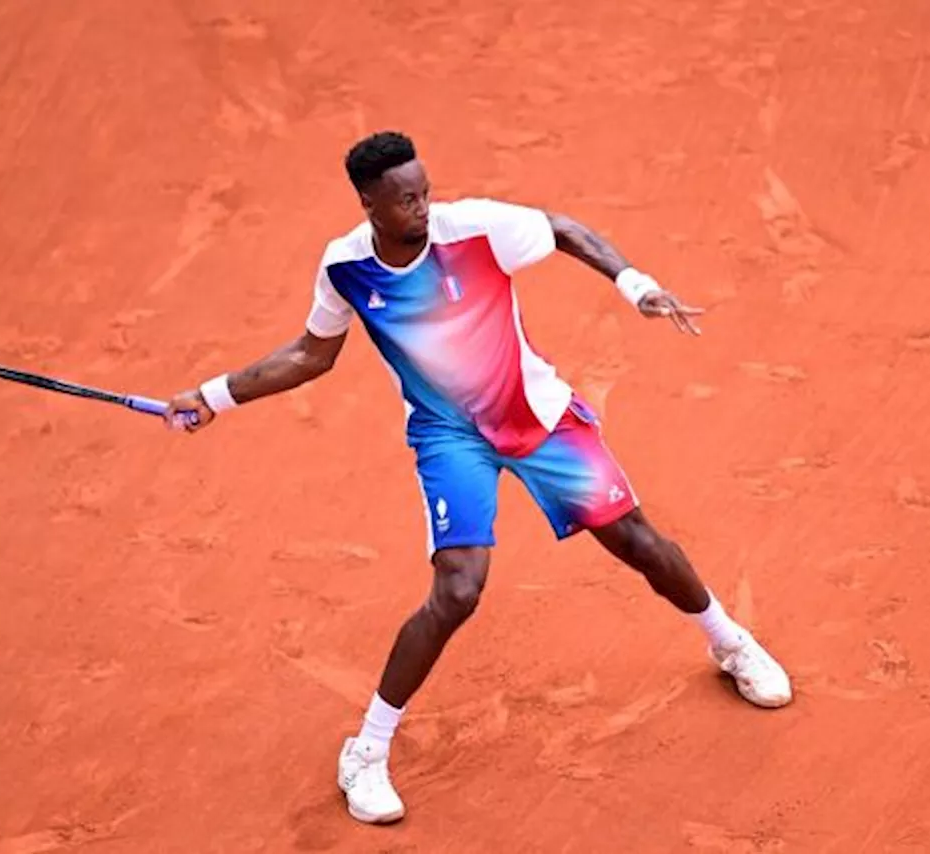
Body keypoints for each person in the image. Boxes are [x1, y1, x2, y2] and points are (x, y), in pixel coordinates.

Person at [164, 131, 792, 825]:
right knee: (459, 587)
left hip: (538, 416)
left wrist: (634, 285)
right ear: (369, 203)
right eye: (406, 199)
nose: (423, 208)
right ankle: (366, 751)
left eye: (425, 191)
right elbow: (313, 354)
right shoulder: (345, 267)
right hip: (449, 436)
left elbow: (562, 229)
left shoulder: (474, 229)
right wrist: (213, 395)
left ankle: (729, 641)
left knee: (637, 541)